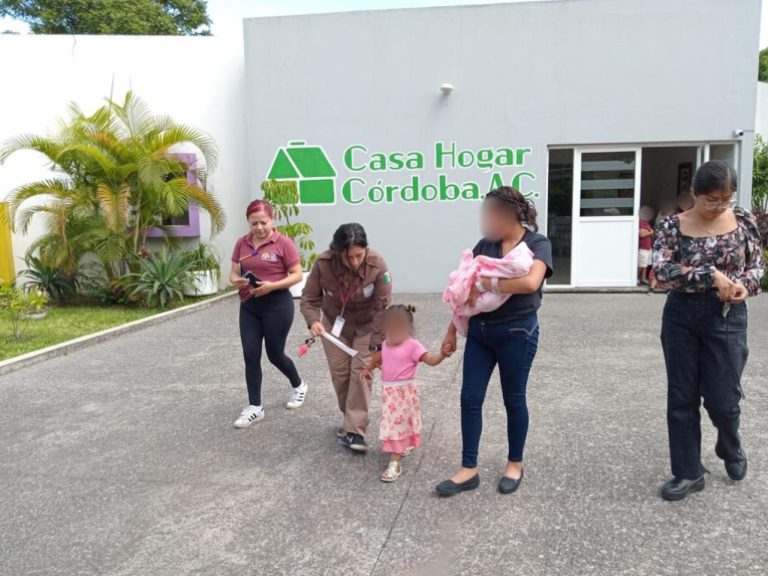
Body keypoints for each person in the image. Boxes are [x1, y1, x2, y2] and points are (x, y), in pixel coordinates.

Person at [653, 160, 764, 501]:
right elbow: (662, 270)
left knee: (723, 398)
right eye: (711, 200)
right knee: (682, 397)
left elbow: (756, 265)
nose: (719, 207)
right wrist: (709, 275)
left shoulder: (743, 220)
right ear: (693, 194)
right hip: (681, 316)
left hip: (728, 315)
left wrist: (745, 284)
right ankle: (688, 473)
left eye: (726, 199)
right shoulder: (674, 225)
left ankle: (730, 445)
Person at [436, 186, 553, 497]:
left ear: (511, 214)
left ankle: (515, 463)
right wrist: (451, 331)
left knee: (513, 399)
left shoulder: (537, 244)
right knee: (469, 399)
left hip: (517, 333)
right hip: (480, 332)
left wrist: (489, 281)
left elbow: (529, 282)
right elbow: (464, 290)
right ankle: (468, 469)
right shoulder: (484, 244)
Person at [300, 223, 392, 452]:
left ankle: (354, 431)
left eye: (359, 255)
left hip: (368, 326)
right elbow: (309, 298)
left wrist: (378, 345)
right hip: (334, 326)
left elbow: (383, 308)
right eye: (348, 257)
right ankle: (352, 419)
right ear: (337, 251)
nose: (354, 262)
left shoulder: (377, 265)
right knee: (341, 375)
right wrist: (314, 321)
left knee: (361, 373)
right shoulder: (323, 264)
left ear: (366, 250)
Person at [229, 200, 307, 428]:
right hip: (250, 306)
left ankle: (299, 385)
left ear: (272, 220)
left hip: (277, 306)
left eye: (263, 222)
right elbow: (232, 274)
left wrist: (272, 286)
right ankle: (255, 407)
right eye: (254, 223)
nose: (259, 227)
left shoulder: (283, 243)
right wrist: (239, 281)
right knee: (250, 355)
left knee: (275, 355)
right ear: (248, 223)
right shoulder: (241, 244)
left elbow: (297, 275)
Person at [359, 305, 446, 482]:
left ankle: (394, 462)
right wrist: (368, 368)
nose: (394, 332)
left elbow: (430, 360)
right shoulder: (385, 344)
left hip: (404, 395)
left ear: (409, 328)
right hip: (389, 394)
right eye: (390, 328)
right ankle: (403, 445)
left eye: (399, 328)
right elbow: (380, 360)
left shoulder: (413, 346)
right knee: (398, 424)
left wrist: (442, 354)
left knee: (394, 426)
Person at [638, 206, 655, 285]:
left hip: (649, 247)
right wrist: (650, 232)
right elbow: (641, 235)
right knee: (641, 264)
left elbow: (651, 234)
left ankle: (643, 278)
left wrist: (649, 233)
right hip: (643, 247)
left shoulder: (647, 223)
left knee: (646, 265)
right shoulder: (640, 222)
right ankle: (636, 278)